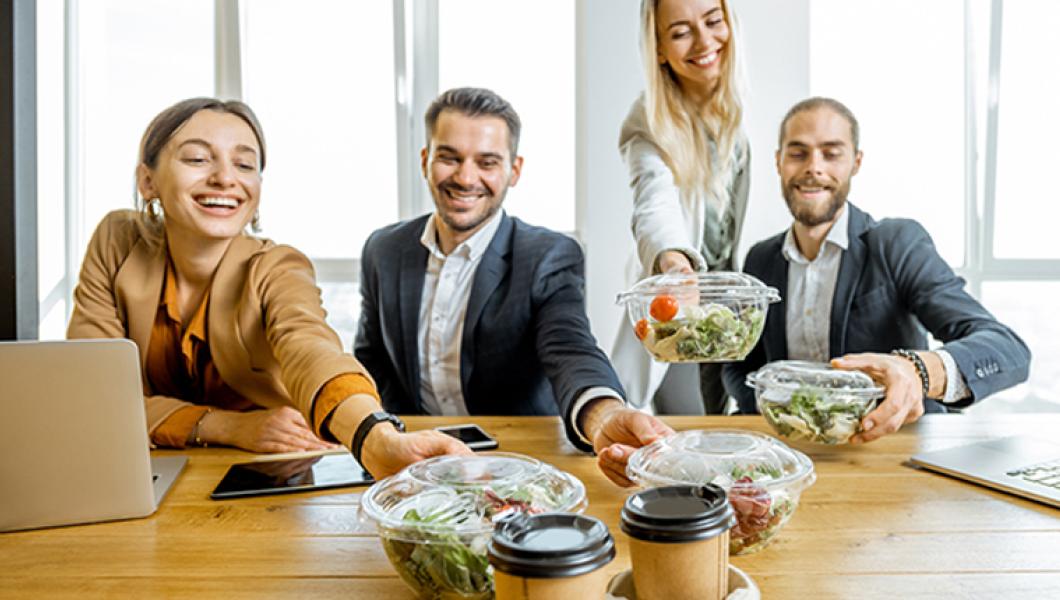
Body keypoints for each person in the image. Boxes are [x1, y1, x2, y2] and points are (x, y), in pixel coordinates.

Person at [67, 97, 468, 479]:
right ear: (147, 180)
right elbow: (89, 396)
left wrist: (375, 438)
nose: (225, 178)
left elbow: (313, 351)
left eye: (244, 164)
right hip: (138, 473)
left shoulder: (277, 266)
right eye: (197, 159)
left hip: (266, 474)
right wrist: (231, 426)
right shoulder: (117, 240)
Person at [355, 87, 673, 486]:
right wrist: (389, 434)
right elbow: (372, 360)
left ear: (514, 170)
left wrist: (604, 415)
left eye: (487, 162)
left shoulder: (549, 256)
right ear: (425, 160)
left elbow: (570, 349)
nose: (465, 177)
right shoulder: (383, 251)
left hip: (519, 466)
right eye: (449, 157)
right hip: (413, 467)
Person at [722, 97, 1031, 442]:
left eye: (831, 153)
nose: (814, 167)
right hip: (792, 451)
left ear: (856, 162)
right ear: (778, 162)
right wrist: (772, 407)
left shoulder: (897, 243)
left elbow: (1008, 349)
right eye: (798, 153)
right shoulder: (760, 259)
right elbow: (740, 363)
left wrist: (917, 372)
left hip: (893, 450)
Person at [611, 0, 751, 414]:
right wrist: (674, 265)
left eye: (713, 21)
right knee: (687, 431)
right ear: (658, 49)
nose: (705, 41)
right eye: (680, 32)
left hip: (741, 317)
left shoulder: (747, 107)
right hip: (684, 309)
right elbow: (653, 202)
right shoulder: (648, 123)